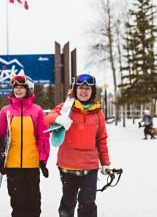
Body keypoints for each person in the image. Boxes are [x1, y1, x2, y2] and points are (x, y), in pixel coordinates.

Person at [44, 74, 111, 217]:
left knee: (88, 203)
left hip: (90, 166)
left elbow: (101, 139)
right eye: (81, 88)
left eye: (88, 88)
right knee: (68, 201)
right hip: (68, 164)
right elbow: (47, 118)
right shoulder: (66, 108)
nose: (84, 91)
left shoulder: (98, 112)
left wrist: (105, 163)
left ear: (92, 91)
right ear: (75, 90)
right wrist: (59, 118)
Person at [0, 75, 50, 217]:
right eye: (15, 87)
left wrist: (42, 159)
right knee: (18, 204)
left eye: (21, 87)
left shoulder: (37, 111)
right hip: (12, 165)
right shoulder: (5, 111)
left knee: (34, 203)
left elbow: (43, 137)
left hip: (32, 164)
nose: (18, 90)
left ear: (28, 89)